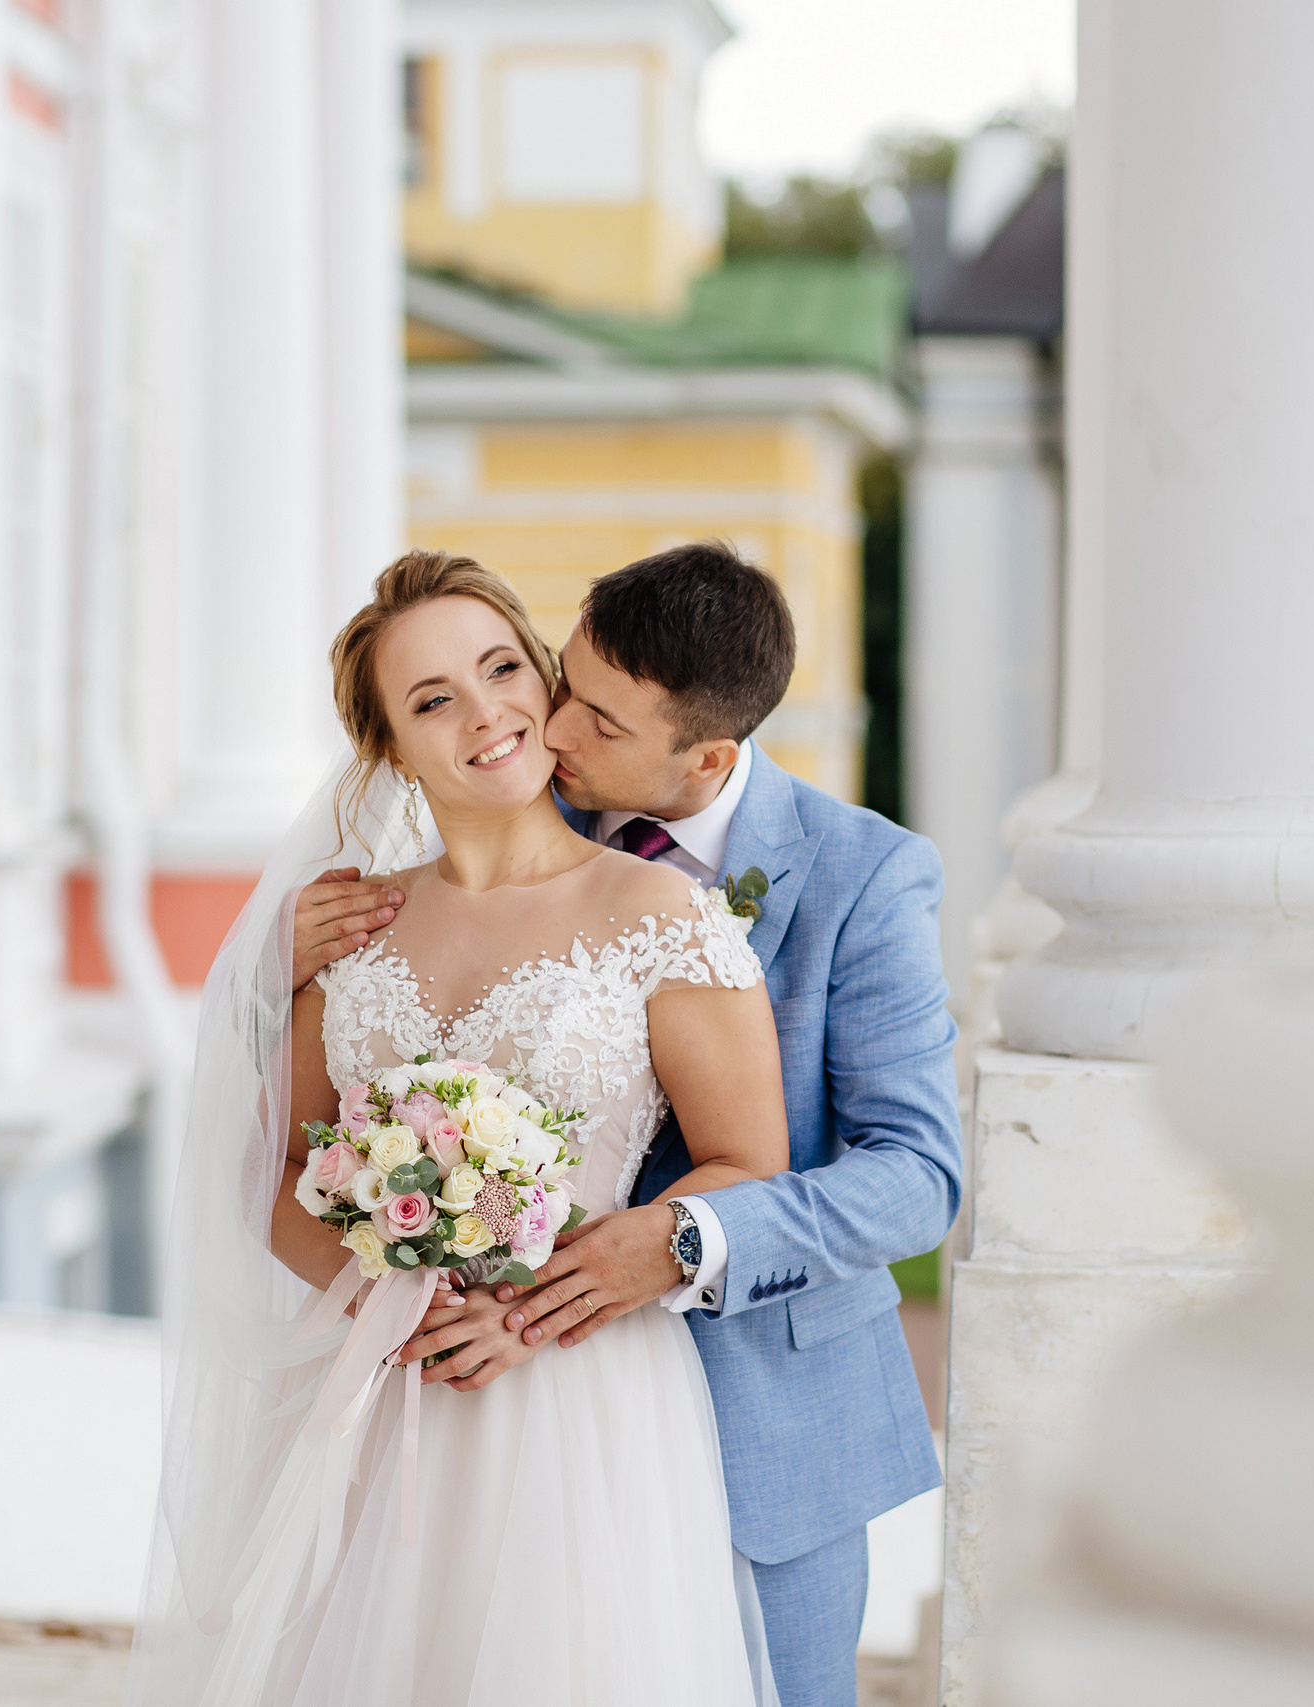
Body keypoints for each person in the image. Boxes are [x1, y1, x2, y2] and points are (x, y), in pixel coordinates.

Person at [295, 541, 963, 1707]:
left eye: (595, 722)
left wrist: (682, 1243)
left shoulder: (864, 876)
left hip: (762, 1413)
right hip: (458, 1409)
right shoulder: (491, 789)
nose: (548, 733)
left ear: (704, 756)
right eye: (562, 680)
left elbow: (915, 1177)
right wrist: (281, 962)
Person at [127, 550, 792, 1707]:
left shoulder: (661, 916)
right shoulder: (355, 930)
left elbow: (748, 1161)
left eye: (501, 668)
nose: (485, 713)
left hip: (580, 1396)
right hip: (380, 1394)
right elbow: (273, 1162)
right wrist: (386, 1298)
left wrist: (533, 1315)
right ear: (387, 746)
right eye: (432, 699)